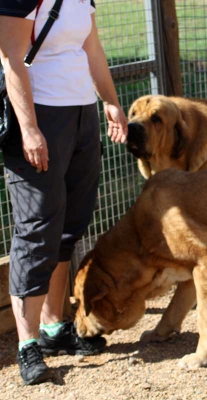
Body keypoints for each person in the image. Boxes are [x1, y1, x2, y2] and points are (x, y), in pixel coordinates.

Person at [0, 0, 128, 385]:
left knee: (70, 223)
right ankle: (28, 344)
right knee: (38, 226)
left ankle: (54, 327)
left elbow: (91, 48)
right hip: (40, 115)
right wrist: (30, 129)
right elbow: (12, 59)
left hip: (81, 112)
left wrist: (109, 100)